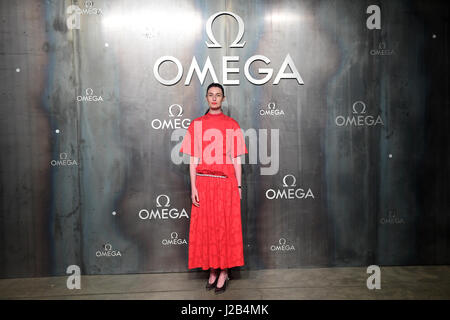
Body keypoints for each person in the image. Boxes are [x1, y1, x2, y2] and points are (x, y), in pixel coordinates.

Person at [179, 82, 248, 294]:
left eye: (218, 95)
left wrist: (238, 185)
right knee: (207, 227)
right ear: (206, 98)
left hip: (226, 183)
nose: (215, 98)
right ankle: (212, 270)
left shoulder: (232, 124)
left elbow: (237, 159)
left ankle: (224, 271)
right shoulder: (196, 124)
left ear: (223, 98)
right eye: (211, 95)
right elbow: (193, 159)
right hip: (204, 183)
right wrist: (193, 188)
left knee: (225, 227)